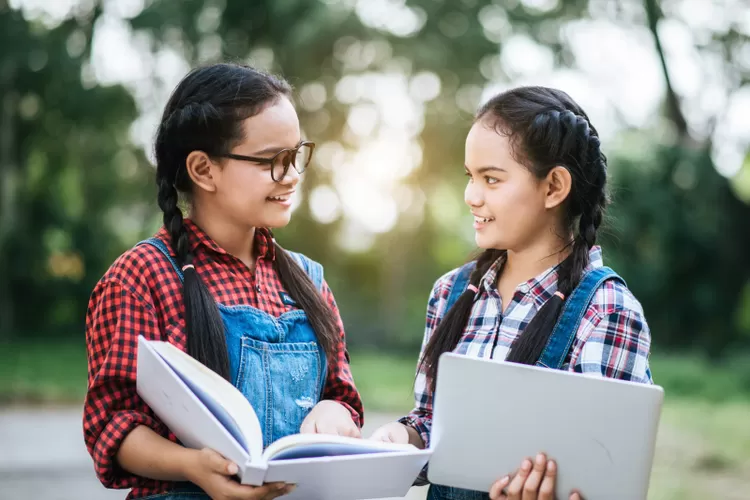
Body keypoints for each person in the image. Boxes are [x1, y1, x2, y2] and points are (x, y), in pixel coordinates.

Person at [83, 63, 363, 500]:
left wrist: (333, 412)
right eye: (272, 160)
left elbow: (342, 396)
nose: (290, 176)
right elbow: (114, 426)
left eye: (295, 156)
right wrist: (193, 466)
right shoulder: (140, 278)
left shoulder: (309, 280)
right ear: (203, 170)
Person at [370, 86, 653, 500]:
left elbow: (608, 477)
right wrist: (404, 438)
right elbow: (433, 424)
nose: (471, 195)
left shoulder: (606, 309)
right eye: (470, 176)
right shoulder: (450, 291)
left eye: (492, 179)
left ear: (554, 186)